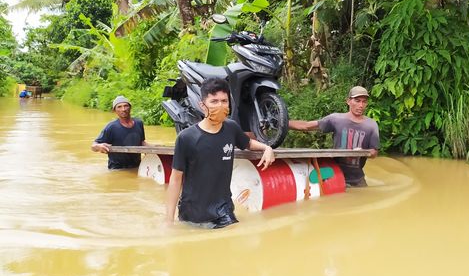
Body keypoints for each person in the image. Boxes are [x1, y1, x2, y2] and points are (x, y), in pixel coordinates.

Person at [166, 78, 275, 229]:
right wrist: (168, 221)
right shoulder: (186, 138)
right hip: (193, 212)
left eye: (224, 101)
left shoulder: (231, 128)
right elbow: (175, 180)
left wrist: (267, 148)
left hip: (223, 210)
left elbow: (247, 143)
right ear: (202, 105)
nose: (220, 106)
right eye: (214, 101)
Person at [289, 86, 379, 187]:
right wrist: (283, 124)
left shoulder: (371, 125)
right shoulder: (336, 119)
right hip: (335, 175)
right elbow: (306, 126)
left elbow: (374, 153)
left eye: (364, 102)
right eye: (357, 101)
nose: (361, 105)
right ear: (348, 101)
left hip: (357, 178)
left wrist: (362, 152)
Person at [91, 95, 148, 169]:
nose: (123, 109)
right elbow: (93, 146)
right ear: (114, 110)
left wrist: (155, 149)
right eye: (119, 107)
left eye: (126, 106)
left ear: (130, 108)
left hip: (137, 167)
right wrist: (99, 146)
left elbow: (142, 143)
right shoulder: (111, 127)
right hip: (117, 169)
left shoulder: (139, 123)